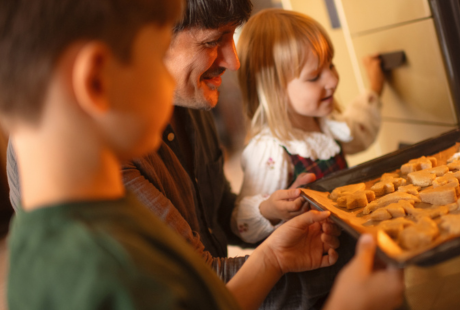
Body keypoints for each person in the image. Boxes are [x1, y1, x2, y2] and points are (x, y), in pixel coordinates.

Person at [1, 0, 405, 309]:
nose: (234, 61)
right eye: (155, 57)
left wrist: (271, 259)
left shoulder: (79, 223)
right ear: (95, 80)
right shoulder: (103, 268)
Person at [234, 9, 385, 243]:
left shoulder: (325, 123)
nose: (333, 80)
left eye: (331, 65)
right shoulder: (270, 149)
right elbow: (242, 224)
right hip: (314, 270)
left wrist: (375, 88)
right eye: (314, 76)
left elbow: (360, 130)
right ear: (275, 91)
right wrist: (269, 210)